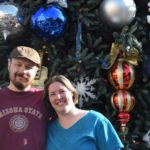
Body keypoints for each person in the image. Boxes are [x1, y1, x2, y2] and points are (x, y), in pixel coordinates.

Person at [45, 75, 124, 150]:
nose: (58, 97)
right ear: (49, 99)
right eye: (52, 94)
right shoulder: (49, 129)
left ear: (72, 93)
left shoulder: (95, 120)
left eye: (62, 91)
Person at [0, 46, 50, 150]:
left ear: (36, 72)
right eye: (18, 65)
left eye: (29, 67)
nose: (23, 71)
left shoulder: (45, 98)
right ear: (9, 65)